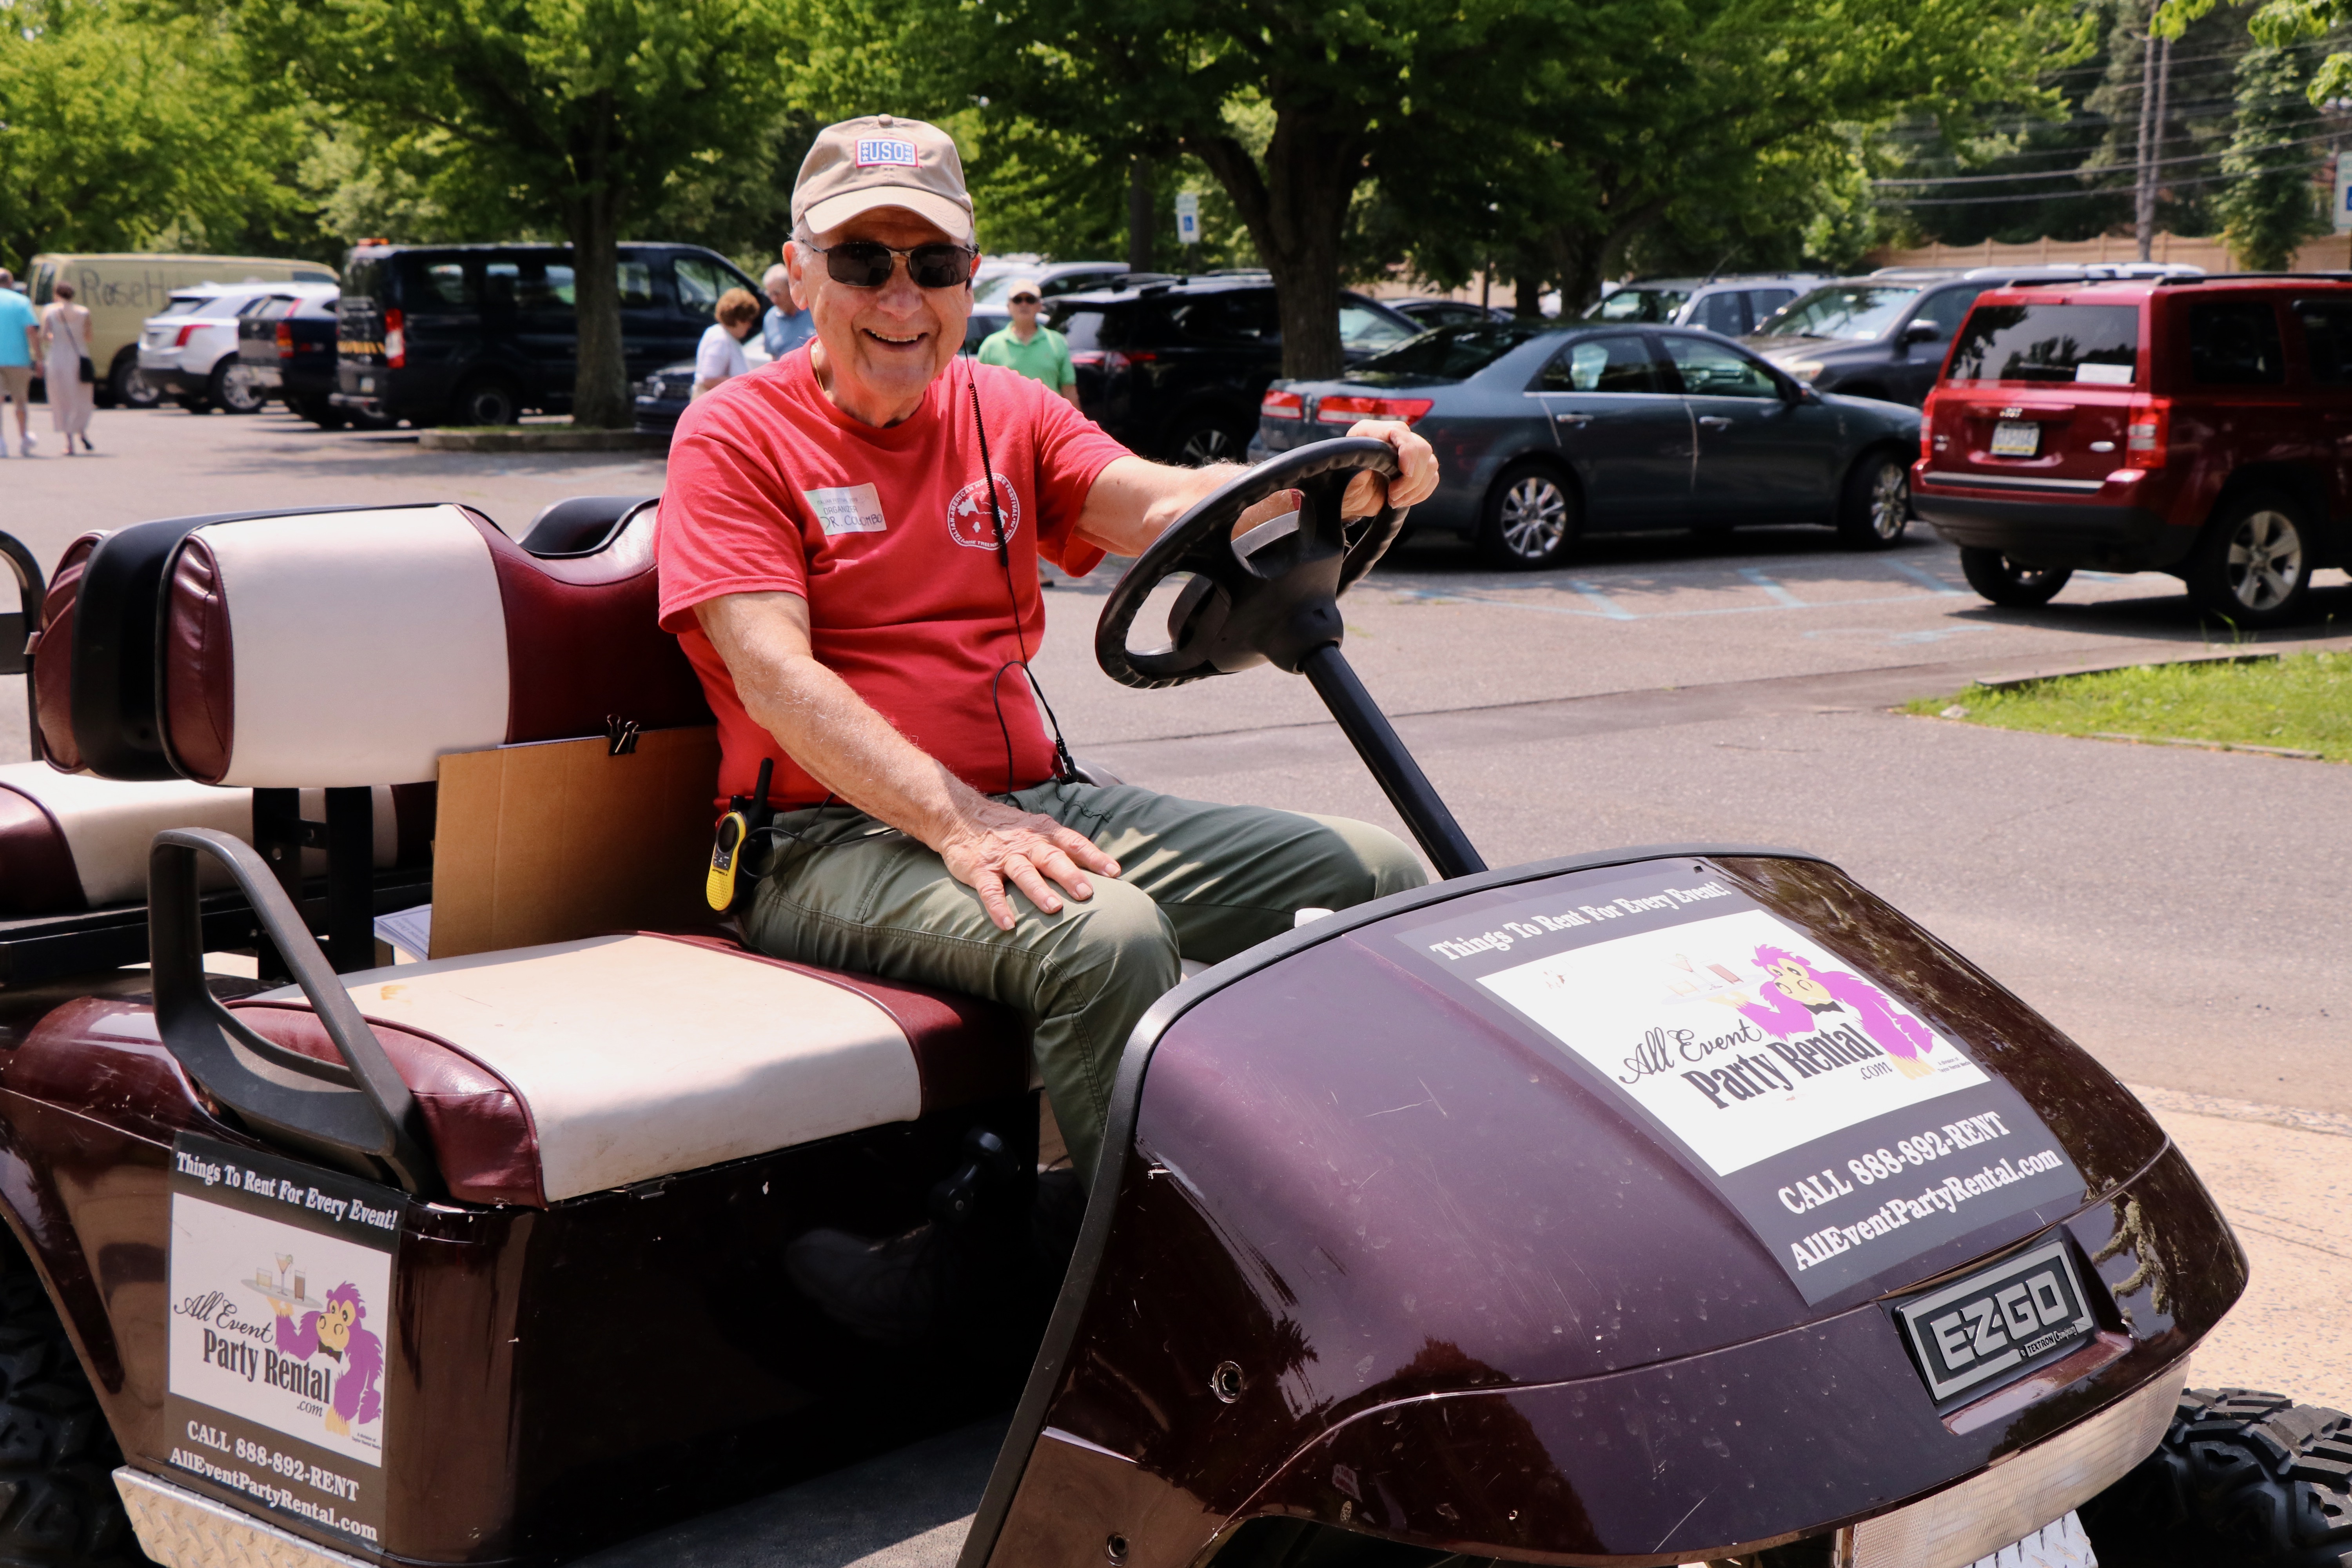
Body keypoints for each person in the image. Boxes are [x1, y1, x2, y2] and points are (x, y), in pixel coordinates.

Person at [656, 114, 1439, 1340]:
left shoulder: (1005, 410)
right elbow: (773, 675)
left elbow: (1166, 504)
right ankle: (1174, 1328)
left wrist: (1341, 477)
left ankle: (1359, 1253)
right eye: (862, 261)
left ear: (970, 278)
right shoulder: (733, 435)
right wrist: (959, 821)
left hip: (1028, 806)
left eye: (933, 264)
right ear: (800, 274)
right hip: (819, 843)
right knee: (1104, 939)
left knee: (1377, 877)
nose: (901, 296)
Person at [976, 278, 1079, 407]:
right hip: (1007, 419)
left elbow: (1069, 390)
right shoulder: (991, 346)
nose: (1024, 304)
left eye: (1030, 300)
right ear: (1009, 306)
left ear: (1039, 306)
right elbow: (980, 393)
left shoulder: (1057, 342)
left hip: (1048, 419)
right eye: (1018, 300)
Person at [41, 282, 93, 454]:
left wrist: (56, 336)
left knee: (61, 398)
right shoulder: (84, 312)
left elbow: (44, 335)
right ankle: (82, 431)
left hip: (57, 358)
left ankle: (69, 443)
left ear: (56, 294)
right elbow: (88, 337)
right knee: (81, 397)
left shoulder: (50, 312)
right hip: (79, 358)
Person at [693, 287, 763, 399]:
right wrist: (744, 384)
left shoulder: (722, 334)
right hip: (715, 403)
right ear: (738, 319)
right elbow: (709, 380)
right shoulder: (720, 339)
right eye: (749, 321)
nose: (750, 326)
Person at [0, 272, 39, 457]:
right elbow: (31, 330)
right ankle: (24, 438)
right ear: (11, 282)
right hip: (18, 358)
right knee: (20, 401)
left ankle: (1, 442)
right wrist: (39, 357)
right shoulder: (21, 302)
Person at [760, 263, 816, 359]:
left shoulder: (813, 309)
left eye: (777, 294)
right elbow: (774, 359)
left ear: (791, 288)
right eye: (770, 295)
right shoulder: (770, 319)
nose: (774, 300)